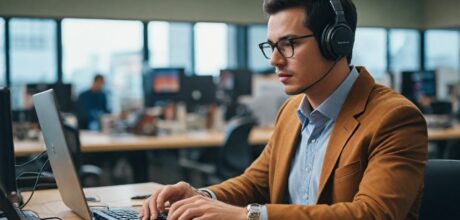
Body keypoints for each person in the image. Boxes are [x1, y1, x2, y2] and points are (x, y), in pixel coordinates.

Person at [141, 0, 428, 219]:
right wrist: (202, 195)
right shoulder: (292, 111)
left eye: (288, 44)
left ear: (336, 42)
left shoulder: (394, 118)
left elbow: (372, 213)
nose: (274, 60)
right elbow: (257, 182)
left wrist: (248, 215)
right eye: (271, 46)